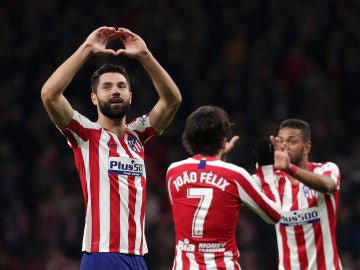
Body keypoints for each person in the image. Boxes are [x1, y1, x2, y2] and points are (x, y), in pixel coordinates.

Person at [40, 26, 182, 270]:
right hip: (102, 254)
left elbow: (172, 100)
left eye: (121, 86)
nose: (115, 91)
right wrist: (86, 49)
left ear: (130, 96)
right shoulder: (85, 134)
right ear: (94, 98)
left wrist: (145, 56)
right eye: (106, 87)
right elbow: (50, 94)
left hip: (137, 256)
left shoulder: (138, 135)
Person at [165, 105, 283, 269]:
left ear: (189, 138)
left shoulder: (173, 172)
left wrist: (219, 157)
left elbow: (208, 181)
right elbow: (274, 214)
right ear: (224, 138)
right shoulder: (235, 175)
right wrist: (267, 172)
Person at [267, 118, 342, 269]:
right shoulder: (271, 180)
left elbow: (329, 185)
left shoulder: (326, 169)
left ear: (307, 147)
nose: (284, 146)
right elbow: (235, 190)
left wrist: (289, 168)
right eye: (280, 141)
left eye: (292, 141)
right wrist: (219, 158)